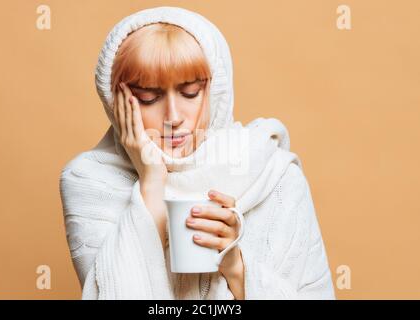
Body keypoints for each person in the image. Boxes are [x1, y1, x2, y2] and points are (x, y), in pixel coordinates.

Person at [59, 6, 336, 300]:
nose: (173, 115)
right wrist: (152, 180)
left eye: (190, 92)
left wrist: (236, 267)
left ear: (216, 91)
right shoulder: (90, 181)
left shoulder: (274, 173)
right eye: (148, 98)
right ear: (116, 103)